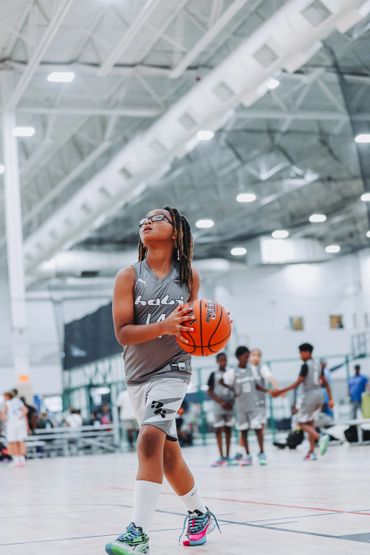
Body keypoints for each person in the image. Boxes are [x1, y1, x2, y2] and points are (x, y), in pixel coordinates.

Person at [106, 207, 219, 555]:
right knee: (168, 457)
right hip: (138, 376)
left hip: (173, 370)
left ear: (175, 233)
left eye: (157, 218)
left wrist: (209, 332)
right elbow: (123, 334)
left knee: (149, 442)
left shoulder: (189, 277)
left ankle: (138, 532)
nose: (146, 222)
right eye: (142, 220)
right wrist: (163, 327)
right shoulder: (128, 276)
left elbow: (195, 326)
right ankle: (199, 513)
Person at [272, 343, 334, 461]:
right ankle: (311, 452)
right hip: (320, 395)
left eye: (301, 352)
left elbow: (297, 384)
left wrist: (280, 392)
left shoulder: (305, 366)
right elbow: (325, 383)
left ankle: (320, 437)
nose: (300, 355)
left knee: (299, 422)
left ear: (307, 352)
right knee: (310, 423)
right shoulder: (318, 365)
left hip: (310, 396)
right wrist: (330, 398)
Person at [227, 346, 272, 467]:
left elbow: (257, 385)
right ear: (239, 357)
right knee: (244, 431)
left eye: (249, 356)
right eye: (246, 356)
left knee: (258, 430)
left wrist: (268, 391)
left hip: (254, 405)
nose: (248, 359)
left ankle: (262, 453)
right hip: (241, 407)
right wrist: (234, 392)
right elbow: (228, 385)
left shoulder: (252, 369)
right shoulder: (232, 372)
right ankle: (247, 455)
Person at [248, 348, 279, 465]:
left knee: (260, 428)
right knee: (244, 430)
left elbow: (270, 377)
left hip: (259, 404)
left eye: (258, 355)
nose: (256, 357)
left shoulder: (262, 367)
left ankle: (262, 452)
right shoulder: (244, 368)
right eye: (254, 355)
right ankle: (244, 453)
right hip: (246, 404)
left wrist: (276, 388)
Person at [207, 352, 236, 467]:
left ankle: (228, 456)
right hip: (218, 406)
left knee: (228, 429)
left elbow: (234, 388)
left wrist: (231, 402)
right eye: (221, 360)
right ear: (217, 361)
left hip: (229, 405)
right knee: (218, 430)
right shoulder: (213, 374)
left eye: (225, 360)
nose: (223, 362)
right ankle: (221, 456)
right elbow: (210, 391)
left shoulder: (230, 374)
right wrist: (220, 402)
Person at [0, 391, 28, 467]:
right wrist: (20, 417)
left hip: (11, 424)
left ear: (8, 396)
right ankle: (22, 460)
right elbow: (25, 410)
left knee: (12, 442)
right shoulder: (18, 401)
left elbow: (2, 416)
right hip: (20, 423)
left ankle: (16, 460)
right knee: (20, 441)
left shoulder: (5, 403)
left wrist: (5, 418)